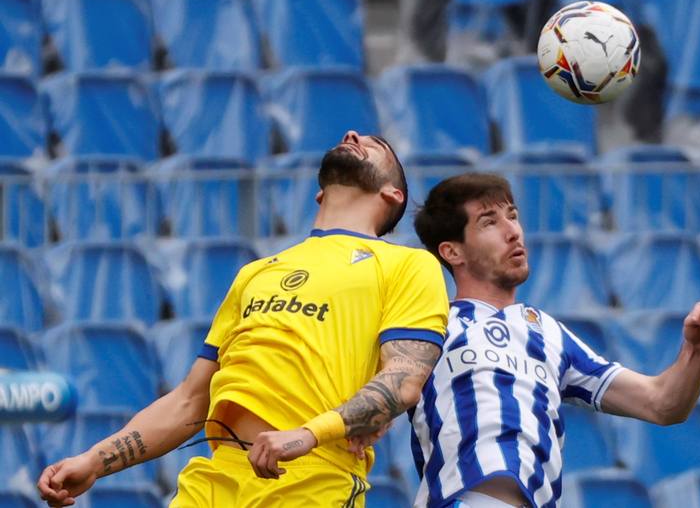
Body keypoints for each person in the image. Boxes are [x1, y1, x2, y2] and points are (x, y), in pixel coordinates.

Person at [37, 131, 449, 507]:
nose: (352, 135)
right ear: (319, 195)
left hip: (310, 481)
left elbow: (403, 379)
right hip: (213, 482)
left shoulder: (406, 264)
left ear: (393, 193)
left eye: (375, 143)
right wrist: (94, 460)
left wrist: (307, 435)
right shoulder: (255, 273)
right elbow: (191, 400)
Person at [411, 172, 700, 508]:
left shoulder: (550, 332)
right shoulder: (429, 325)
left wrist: (696, 350)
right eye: (489, 222)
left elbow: (663, 404)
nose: (513, 232)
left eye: (514, 216)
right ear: (452, 252)